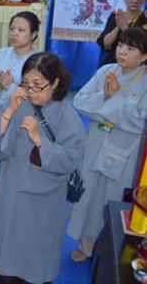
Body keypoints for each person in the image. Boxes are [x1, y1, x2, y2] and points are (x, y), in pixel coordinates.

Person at [0, 52, 86, 284]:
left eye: (38, 85)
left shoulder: (67, 116)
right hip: (10, 192)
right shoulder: (19, 104)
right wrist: (9, 111)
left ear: (55, 83)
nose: (30, 91)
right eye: (26, 83)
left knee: (35, 261)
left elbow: (71, 159)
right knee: (6, 261)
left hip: (42, 202)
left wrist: (39, 141)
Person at [68, 27, 147, 262]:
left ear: (144, 56)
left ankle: (115, 249)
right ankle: (86, 245)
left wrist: (115, 98)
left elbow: (141, 122)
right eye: (121, 45)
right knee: (90, 194)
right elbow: (80, 101)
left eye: (130, 49)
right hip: (96, 144)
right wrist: (104, 96)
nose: (122, 51)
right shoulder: (106, 71)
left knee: (114, 197)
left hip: (126, 153)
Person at [0, 11, 40, 224]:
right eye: (12, 28)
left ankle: (10, 213)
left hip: (21, 119)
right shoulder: (1, 54)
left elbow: (36, 95)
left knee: (12, 166)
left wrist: (10, 86)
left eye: (21, 30)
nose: (15, 33)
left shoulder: (38, 60)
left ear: (33, 34)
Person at [96, 0, 147, 65]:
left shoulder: (144, 20)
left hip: (135, 64)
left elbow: (142, 45)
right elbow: (104, 44)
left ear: (145, 0)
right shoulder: (115, 17)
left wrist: (125, 28)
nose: (135, 1)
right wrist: (118, 26)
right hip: (112, 62)